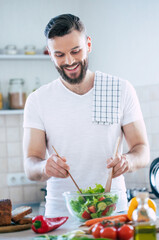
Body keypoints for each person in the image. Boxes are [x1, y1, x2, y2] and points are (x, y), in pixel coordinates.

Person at [23, 14, 150, 217]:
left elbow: (142, 150)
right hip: (60, 217)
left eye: (76, 51)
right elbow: (31, 166)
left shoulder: (120, 89)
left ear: (88, 44)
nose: (70, 61)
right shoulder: (38, 100)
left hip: (113, 213)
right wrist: (44, 167)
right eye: (59, 55)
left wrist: (129, 160)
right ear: (50, 54)